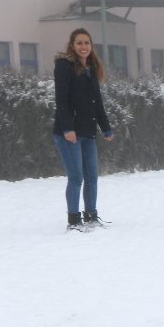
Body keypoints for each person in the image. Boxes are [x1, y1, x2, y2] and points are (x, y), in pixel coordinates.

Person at [52, 28, 113, 232]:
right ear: (72, 45)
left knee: (92, 176)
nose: (83, 47)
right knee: (76, 177)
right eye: (79, 43)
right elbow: (62, 100)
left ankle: (91, 215)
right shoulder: (64, 66)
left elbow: (97, 102)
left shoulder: (91, 68)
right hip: (69, 133)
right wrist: (68, 128)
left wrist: (105, 128)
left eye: (87, 43)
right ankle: (74, 220)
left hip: (88, 131)